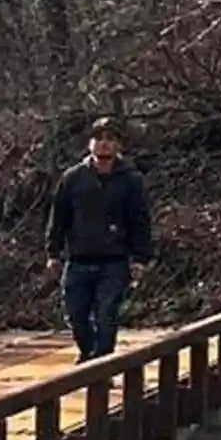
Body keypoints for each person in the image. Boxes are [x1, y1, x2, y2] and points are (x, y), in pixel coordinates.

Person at [47, 115, 153, 359]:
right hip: (78, 257)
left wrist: (140, 258)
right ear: (89, 143)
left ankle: (103, 362)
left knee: (107, 313)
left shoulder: (131, 180)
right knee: (76, 313)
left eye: (110, 139)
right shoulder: (73, 178)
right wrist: (53, 252)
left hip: (113, 260)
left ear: (118, 145)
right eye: (98, 138)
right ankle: (88, 353)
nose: (103, 144)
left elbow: (140, 221)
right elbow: (59, 217)